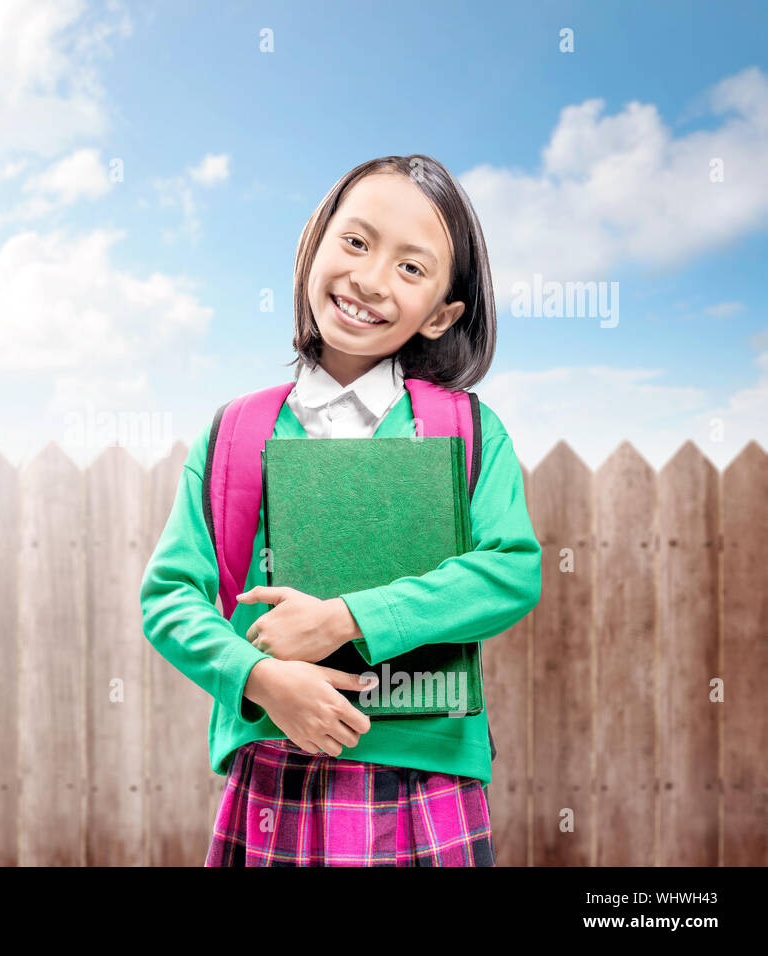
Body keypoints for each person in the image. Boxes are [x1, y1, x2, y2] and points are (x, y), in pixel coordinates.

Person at [138, 155, 542, 866]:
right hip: (275, 770)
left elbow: (509, 572)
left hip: (430, 776)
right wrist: (261, 680)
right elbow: (169, 598)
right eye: (356, 242)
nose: (370, 279)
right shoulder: (236, 433)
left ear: (443, 314)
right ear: (313, 243)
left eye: (412, 268)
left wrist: (344, 619)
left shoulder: (471, 432)